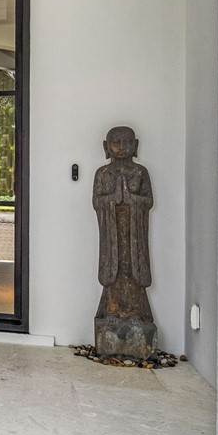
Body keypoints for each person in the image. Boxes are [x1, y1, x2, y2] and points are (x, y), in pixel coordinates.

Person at [92, 126, 154, 323]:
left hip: (134, 229)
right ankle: (112, 310)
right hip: (111, 230)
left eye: (127, 142)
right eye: (116, 142)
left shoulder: (140, 172)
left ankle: (135, 312)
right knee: (114, 268)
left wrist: (131, 199)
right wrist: (113, 199)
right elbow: (96, 202)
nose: (121, 147)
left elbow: (149, 201)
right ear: (106, 147)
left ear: (135, 146)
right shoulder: (102, 173)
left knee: (132, 268)